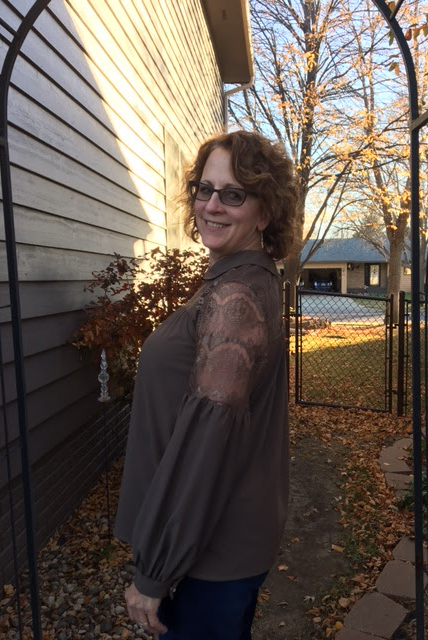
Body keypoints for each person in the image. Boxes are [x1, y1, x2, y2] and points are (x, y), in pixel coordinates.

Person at [114, 129, 299, 639]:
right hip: (214, 542)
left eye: (234, 194)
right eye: (205, 188)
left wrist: (155, 572)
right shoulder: (236, 279)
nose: (212, 205)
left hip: (210, 554)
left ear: (264, 213)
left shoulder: (235, 298)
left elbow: (207, 444)